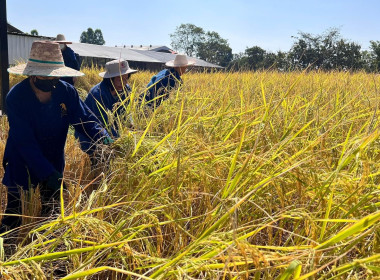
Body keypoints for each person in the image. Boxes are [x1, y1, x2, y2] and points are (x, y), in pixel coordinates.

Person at [1, 41, 111, 234]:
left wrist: (102, 136)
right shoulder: (16, 97)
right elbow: (25, 141)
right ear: (33, 74)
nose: (52, 80)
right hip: (23, 159)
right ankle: (8, 250)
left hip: (53, 156)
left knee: (52, 213)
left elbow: (84, 119)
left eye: (55, 75)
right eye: (46, 75)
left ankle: (48, 250)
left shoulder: (66, 92)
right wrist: (46, 173)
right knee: (15, 215)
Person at [75, 59, 137, 156]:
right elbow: (103, 123)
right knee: (96, 158)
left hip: (112, 131)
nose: (124, 82)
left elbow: (126, 111)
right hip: (92, 133)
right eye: (119, 79)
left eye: (126, 78)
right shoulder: (98, 94)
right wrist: (118, 142)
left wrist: (130, 123)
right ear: (110, 79)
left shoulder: (126, 90)